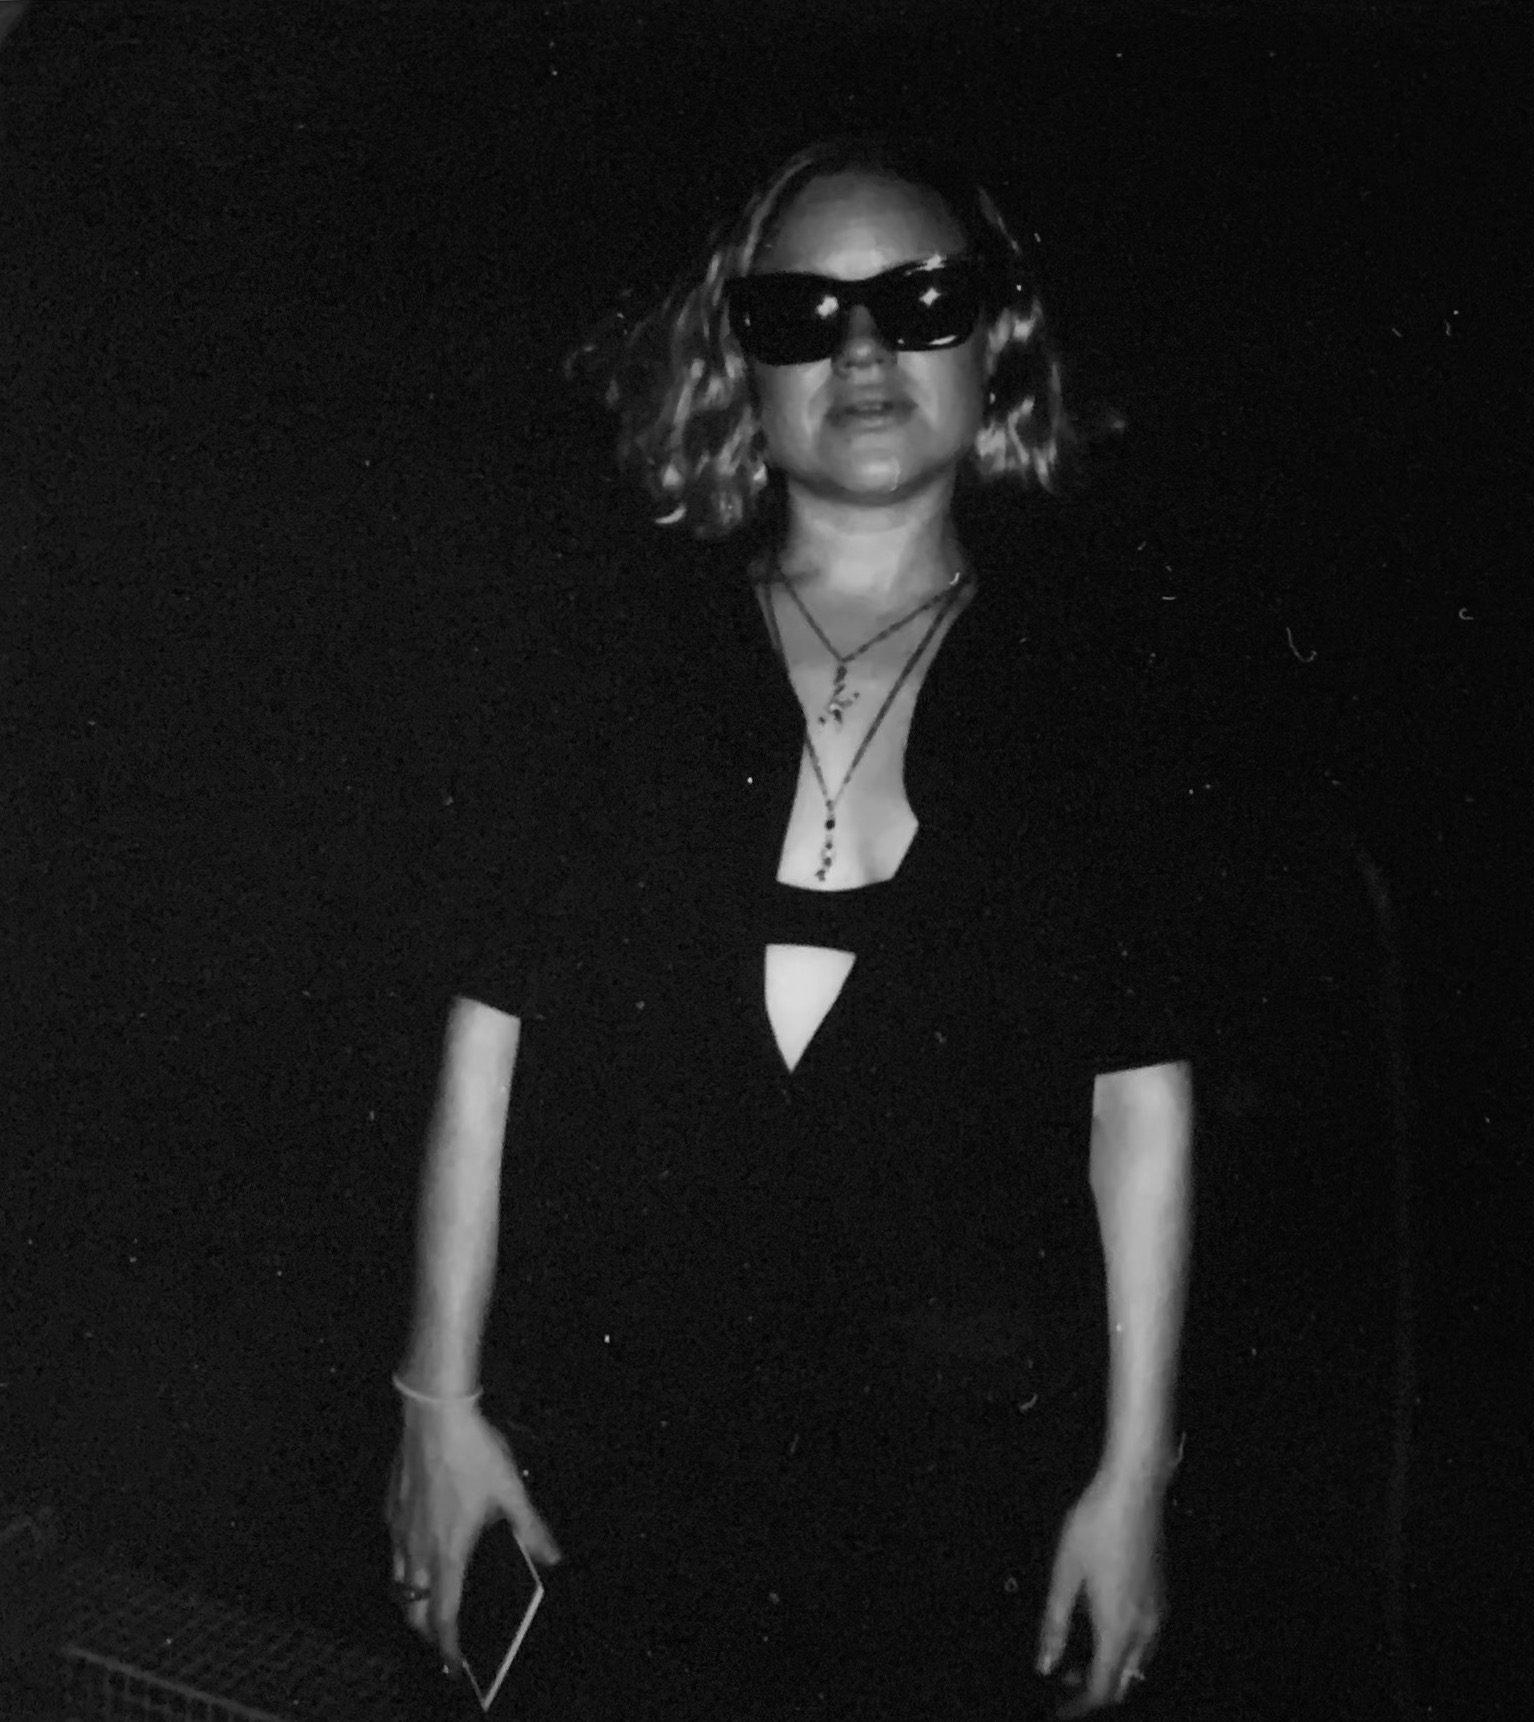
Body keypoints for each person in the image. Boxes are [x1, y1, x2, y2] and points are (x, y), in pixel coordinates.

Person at [383, 132, 1197, 1719]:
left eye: (919, 300)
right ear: (736, 368)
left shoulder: (1095, 693)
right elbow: (489, 1042)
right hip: (607, 1475)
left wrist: (1128, 1478)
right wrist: (435, 1401)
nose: (865, 348)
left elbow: (1136, 1108)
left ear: (995, 342)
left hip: (954, 1501)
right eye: (800, 314)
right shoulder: (616, 654)